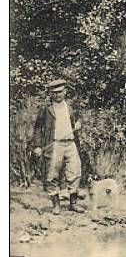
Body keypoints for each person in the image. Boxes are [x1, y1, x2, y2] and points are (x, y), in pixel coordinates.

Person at [33, 79, 85, 215]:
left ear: (65, 92)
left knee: (75, 172)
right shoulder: (46, 108)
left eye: (60, 92)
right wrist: (38, 146)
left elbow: (78, 118)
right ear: (51, 94)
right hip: (54, 144)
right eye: (54, 93)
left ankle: (73, 204)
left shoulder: (70, 106)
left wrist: (78, 123)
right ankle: (56, 205)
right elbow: (38, 127)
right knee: (52, 175)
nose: (57, 95)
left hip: (71, 143)